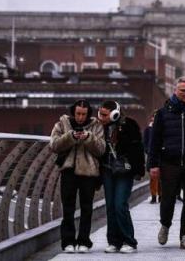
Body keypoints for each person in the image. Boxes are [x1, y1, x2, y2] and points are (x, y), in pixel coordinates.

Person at [148, 77, 185, 250]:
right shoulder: (162, 113)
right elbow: (155, 141)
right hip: (169, 163)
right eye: (183, 90)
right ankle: (165, 225)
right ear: (175, 90)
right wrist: (153, 165)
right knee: (167, 200)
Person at [49, 99, 105, 253]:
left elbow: (101, 149)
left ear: (88, 114)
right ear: (73, 112)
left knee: (87, 208)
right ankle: (68, 241)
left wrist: (88, 138)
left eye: (84, 114)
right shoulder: (62, 124)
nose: (81, 117)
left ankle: (84, 242)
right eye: (78, 114)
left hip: (89, 172)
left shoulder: (96, 125)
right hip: (68, 171)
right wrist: (71, 137)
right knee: (68, 208)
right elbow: (53, 145)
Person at [99, 100, 145, 254]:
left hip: (125, 171)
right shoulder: (99, 128)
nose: (101, 117)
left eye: (105, 115)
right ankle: (114, 241)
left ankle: (129, 241)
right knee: (110, 206)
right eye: (100, 113)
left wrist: (139, 170)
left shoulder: (129, 125)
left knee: (120, 205)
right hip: (107, 170)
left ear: (114, 114)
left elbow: (138, 148)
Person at [143, 113, 161, 204]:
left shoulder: (162, 128)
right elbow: (145, 141)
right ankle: (154, 196)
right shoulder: (148, 129)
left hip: (161, 155)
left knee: (162, 178)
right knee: (153, 178)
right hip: (152, 155)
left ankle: (161, 195)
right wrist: (148, 150)